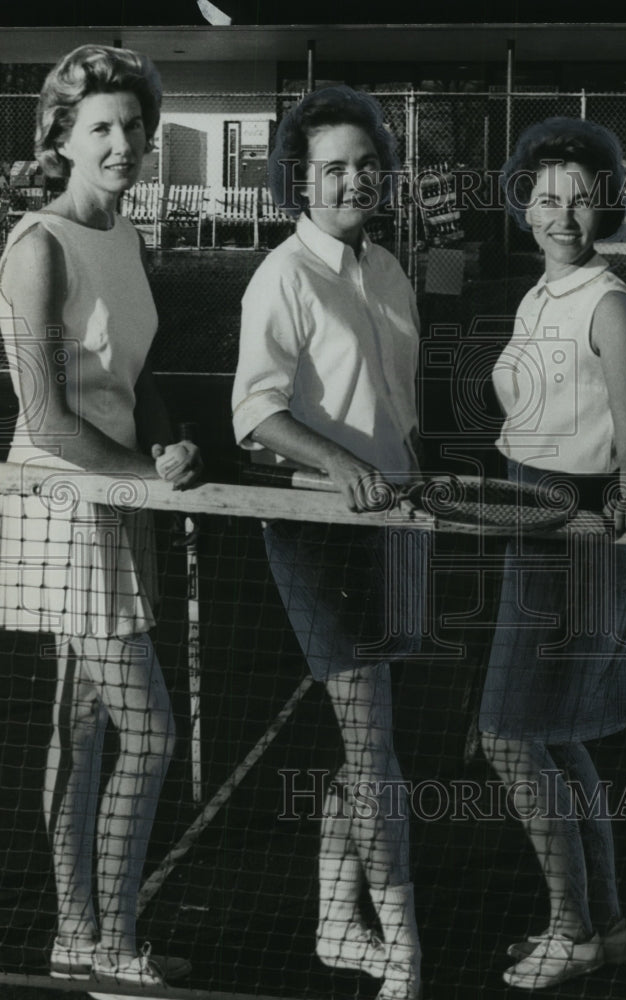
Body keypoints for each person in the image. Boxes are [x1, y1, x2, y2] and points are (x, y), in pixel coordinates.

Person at [0, 45, 201, 988]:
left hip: (119, 491)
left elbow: (137, 374)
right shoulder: (35, 247)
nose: (124, 144)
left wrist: (167, 444)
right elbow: (45, 419)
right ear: (61, 139)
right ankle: (116, 945)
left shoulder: (123, 236)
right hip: (61, 505)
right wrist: (142, 478)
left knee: (83, 726)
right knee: (151, 733)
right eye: (102, 130)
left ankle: (78, 932)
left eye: (134, 128)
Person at [231, 86, 424, 1000]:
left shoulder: (387, 269)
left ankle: (336, 924)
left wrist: (409, 472)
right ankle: (404, 947)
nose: (354, 179)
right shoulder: (282, 276)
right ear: (299, 181)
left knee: (370, 741)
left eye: (364, 162)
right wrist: (342, 466)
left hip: (395, 526)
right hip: (317, 530)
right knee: (374, 737)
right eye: (333, 167)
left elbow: (394, 411)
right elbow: (256, 411)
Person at [478, 117, 626, 990]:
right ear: (524, 205)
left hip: (571, 534)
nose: (563, 215)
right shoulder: (538, 295)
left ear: (605, 208)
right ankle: (605, 925)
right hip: (525, 517)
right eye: (548, 198)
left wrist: (606, 524)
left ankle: (572, 928)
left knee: (507, 736)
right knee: (555, 736)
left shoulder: (610, 302)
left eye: (582, 200)